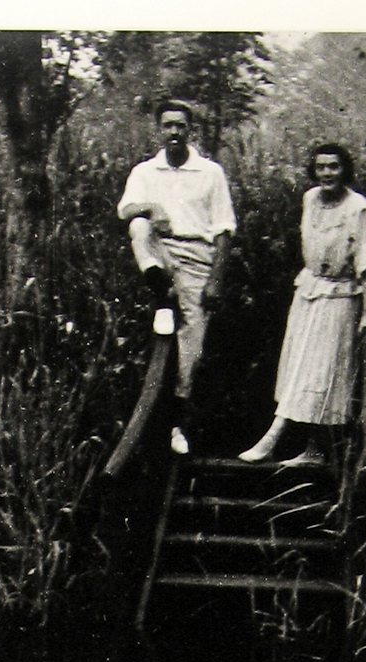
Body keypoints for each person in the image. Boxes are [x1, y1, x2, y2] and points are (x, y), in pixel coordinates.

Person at [239, 144, 366, 466]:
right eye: (321, 167)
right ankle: (312, 450)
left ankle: (275, 437)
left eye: (334, 167)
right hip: (308, 291)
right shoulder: (310, 199)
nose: (327, 173)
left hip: (340, 297)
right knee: (298, 366)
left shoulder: (359, 208)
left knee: (322, 372)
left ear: (345, 170)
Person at [118, 98, 236, 457]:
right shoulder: (145, 171)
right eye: (168, 125)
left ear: (190, 130)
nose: (174, 132)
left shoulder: (210, 172)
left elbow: (224, 230)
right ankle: (158, 283)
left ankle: (177, 424)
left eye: (180, 126)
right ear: (159, 129)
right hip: (160, 250)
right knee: (138, 224)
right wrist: (152, 207)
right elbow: (125, 209)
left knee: (191, 347)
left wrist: (215, 279)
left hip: (197, 256)